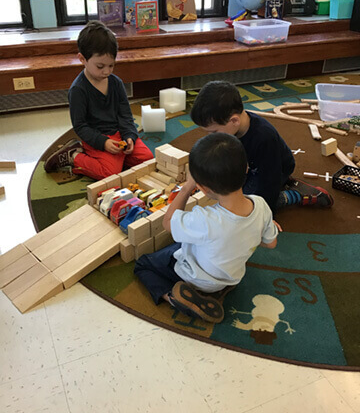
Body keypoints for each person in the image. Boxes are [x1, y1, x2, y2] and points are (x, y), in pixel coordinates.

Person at [134, 132, 280, 323]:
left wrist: (187, 187)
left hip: (196, 277)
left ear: (202, 188)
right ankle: (220, 291)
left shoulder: (205, 219)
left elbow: (167, 223)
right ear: (245, 168)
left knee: (144, 265)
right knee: (210, 245)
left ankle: (172, 297)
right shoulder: (261, 205)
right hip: (231, 276)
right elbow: (271, 243)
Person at [190, 80, 333, 214]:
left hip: (275, 169)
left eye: (213, 132)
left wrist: (266, 216)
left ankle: (293, 194)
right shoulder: (231, 128)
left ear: (234, 121)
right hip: (251, 167)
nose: (210, 136)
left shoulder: (264, 137)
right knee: (229, 192)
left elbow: (269, 181)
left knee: (246, 206)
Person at [44, 20, 153, 180]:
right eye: (100, 67)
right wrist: (103, 143)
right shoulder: (78, 90)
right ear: (82, 59)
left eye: (111, 66)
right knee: (110, 173)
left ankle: (117, 158)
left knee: (147, 159)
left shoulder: (116, 83)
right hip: (96, 139)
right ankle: (74, 155)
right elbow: (80, 126)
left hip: (119, 135)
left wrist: (129, 136)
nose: (107, 71)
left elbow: (125, 116)